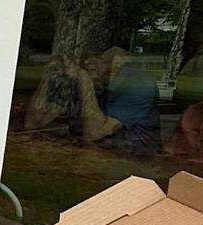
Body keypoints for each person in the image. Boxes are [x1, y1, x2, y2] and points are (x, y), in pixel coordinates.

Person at [25, 47, 160, 155]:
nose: (90, 64)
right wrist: (48, 78)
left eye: (99, 58)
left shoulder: (139, 83)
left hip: (131, 157)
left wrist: (84, 79)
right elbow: (33, 123)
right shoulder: (85, 78)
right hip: (87, 152)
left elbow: (94, 134)